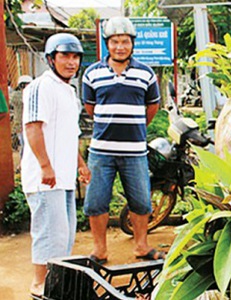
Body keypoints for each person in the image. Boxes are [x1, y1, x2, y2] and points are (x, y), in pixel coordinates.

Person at [82, 16, 163, 264]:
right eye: (115, 41)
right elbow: (90, 107)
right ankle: (99, 250)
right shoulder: (92, 73)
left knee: (140, 200)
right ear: (107, 43)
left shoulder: (145, 73)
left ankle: (141, 246)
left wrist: (133, 126)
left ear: (132, 44)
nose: (120, 46)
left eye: (125, 41)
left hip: (135, 152)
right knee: (96, 202)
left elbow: (152, 106)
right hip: (101, 152)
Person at [21, 33, 91, 298]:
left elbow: (69, 134)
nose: (71, 62)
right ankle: (39, 285)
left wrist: (81, 165)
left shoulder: (69, 91)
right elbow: (33, 127)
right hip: (45, 178)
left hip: (63, 178)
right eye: (65, 56)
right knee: (48, 234)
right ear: (51, 59)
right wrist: (45, 166)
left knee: (63, 238)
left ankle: (55, 286)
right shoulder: (41, 86)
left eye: (75, 57)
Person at [10, 75, 33, 160]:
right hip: (22, 125)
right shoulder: (19, 96)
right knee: (26, 146)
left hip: (26, 124)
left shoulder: (17, 95)